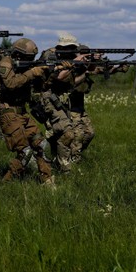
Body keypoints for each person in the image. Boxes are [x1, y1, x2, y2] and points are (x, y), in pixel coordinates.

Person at [0, 38, 56, 184]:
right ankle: (7, 183)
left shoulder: (27, 68)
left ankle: (47, 180)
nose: (31, 61)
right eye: (28, 58)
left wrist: (52, 72)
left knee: (41, 146)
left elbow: (42, 86)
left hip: (23, 112)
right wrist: (32, 73)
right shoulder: (6, 63)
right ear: (18, 55)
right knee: (25, 152)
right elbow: (11, 84)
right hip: (8, 112)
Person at [32, 33, 90, 173]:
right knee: (67, 132)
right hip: (44, 98)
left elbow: (71, 82)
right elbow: (57, 77)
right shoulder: (50, 56)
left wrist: (86, 69)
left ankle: (51, 160)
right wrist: (73, 64)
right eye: (70, 48)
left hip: (58, 100)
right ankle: (64, 168)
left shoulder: (66, 59)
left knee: (58, 134)